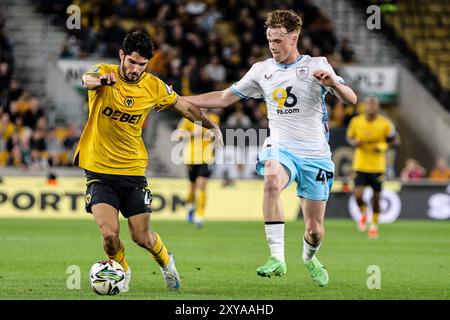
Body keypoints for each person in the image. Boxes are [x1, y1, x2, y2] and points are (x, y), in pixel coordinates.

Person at [175, 9, 357, 287]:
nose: (273, 46)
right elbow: (223, 99)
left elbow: (351, 99)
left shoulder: (316, 65)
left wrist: (333, 84)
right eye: (270, 40)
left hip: (315, 154)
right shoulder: (261, 70)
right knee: (271, 181)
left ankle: (309, 258)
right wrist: (176, 97)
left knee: (315, 230)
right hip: (281, 146)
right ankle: (277, 258)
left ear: (294, 38)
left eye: (278, 41)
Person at [75, 31, 223, 292]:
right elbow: (87, 80)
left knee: (141, 237)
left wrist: (211, 126)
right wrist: (101, 80)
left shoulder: (153, 86)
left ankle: (167, 264)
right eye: (132, 62)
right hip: (99, 170)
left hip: (133, 171)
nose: (135, 69)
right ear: (122, 55)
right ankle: (123, 272)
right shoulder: (103, 72)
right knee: (110, 235)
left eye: (142, 65)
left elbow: (186, 107)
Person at [346, 96, 400, 238]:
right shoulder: (356, 121)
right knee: (357, 194)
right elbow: (349, 138)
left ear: (377, 108)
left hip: (377, 166)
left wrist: (383, 146)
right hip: (360, 164)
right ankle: (363, 212)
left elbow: (396, 140)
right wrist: (354, 142)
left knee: (376, 198)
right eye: (369, 106)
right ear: (365, 107)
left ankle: (374, 225)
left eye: (374, 106)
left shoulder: (385, 123)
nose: (371, 108)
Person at [177, 110, 220, 228]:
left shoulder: (213, 118)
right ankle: (190, 206)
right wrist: (192, 134)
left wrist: (213, 135)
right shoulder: (188, 119)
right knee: (192, 187)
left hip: (206, 158)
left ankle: (199, 216)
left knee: (201, 185)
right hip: (190, 159)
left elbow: (216, 134)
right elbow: (178, 135)